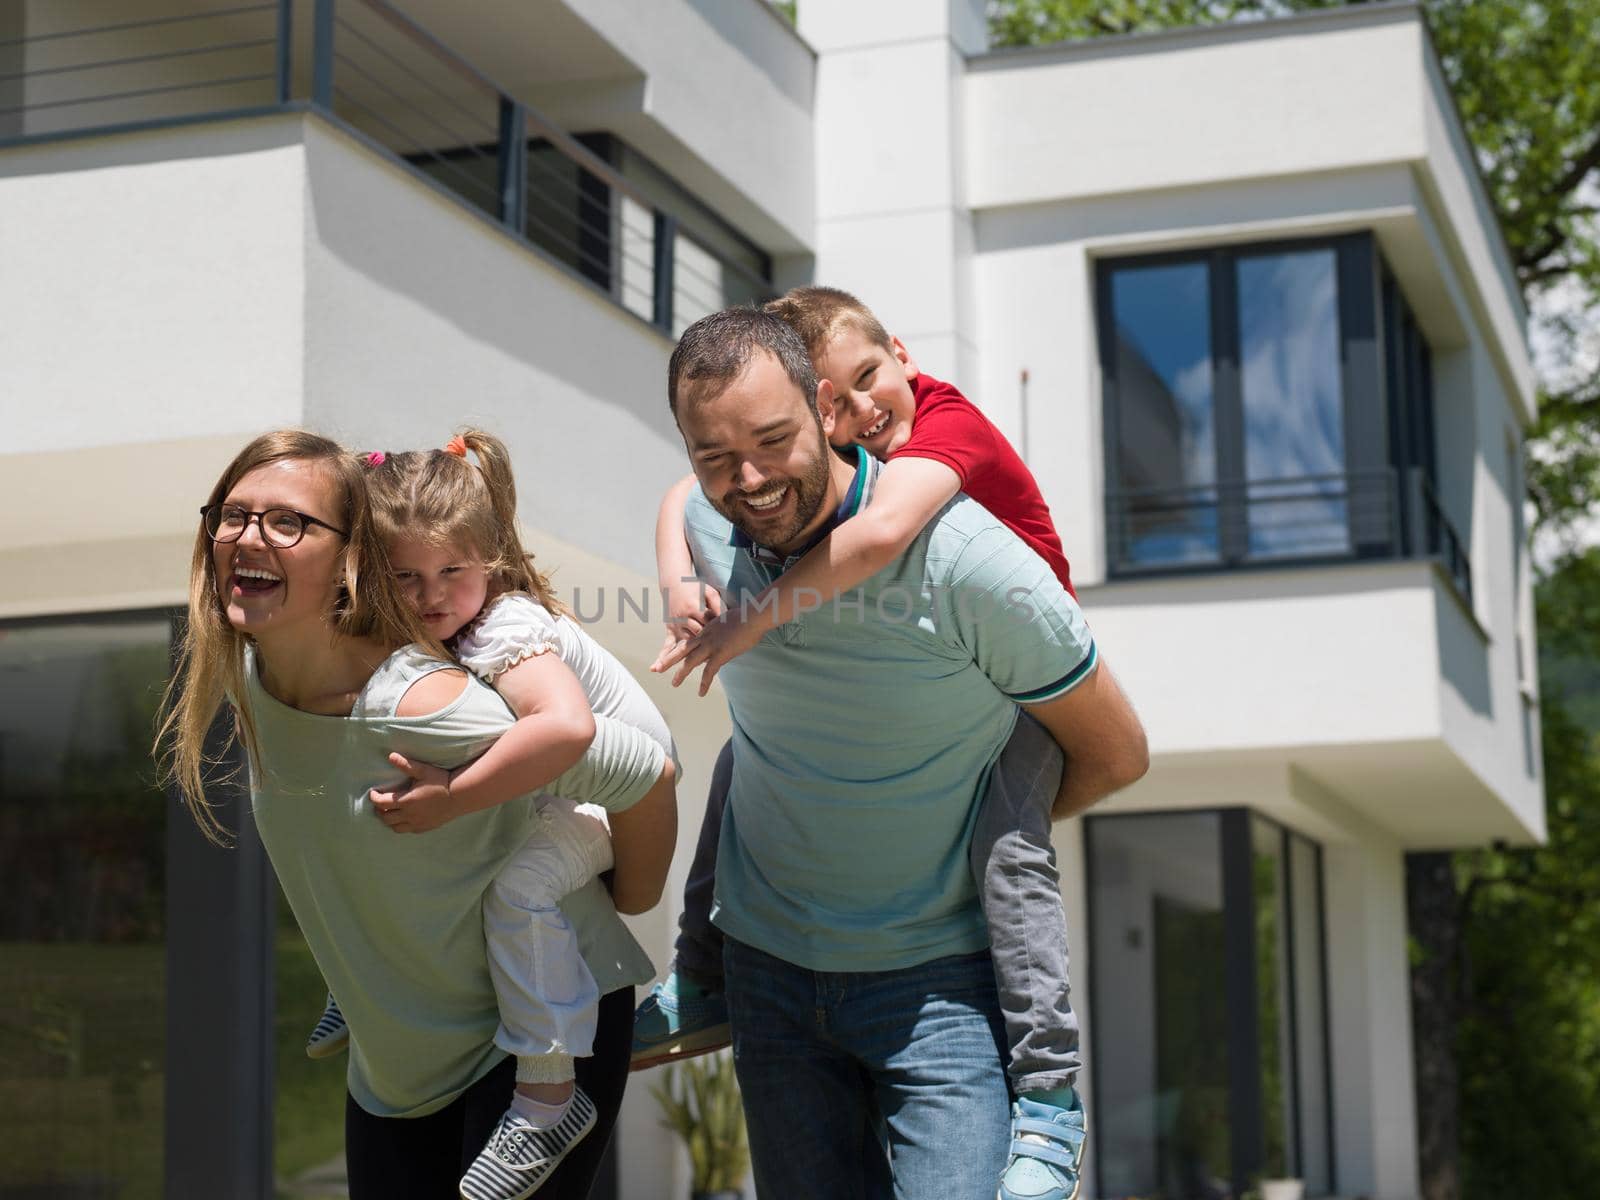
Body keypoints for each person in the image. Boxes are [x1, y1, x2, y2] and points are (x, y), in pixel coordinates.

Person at [655, 308, 1148, 1199]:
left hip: (941, 996)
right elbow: (680, 504)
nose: (751, 481)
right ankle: (698, 979)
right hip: (767, 982)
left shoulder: (970, 563)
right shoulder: (702, 526)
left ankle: (1053, 1103)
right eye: (715, 457)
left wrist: (968, 823)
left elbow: (1116, 753)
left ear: (823, 405)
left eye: (772, 441)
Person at [155, 430, 676, 1200]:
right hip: (396, 1065)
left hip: (538, 1037)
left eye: (288, 520)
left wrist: (628, 892)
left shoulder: (438, 691)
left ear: (347, 556)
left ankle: (549, 1100)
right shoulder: (258, 679)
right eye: (232, 514)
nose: (249, 537)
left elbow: (643, 767)